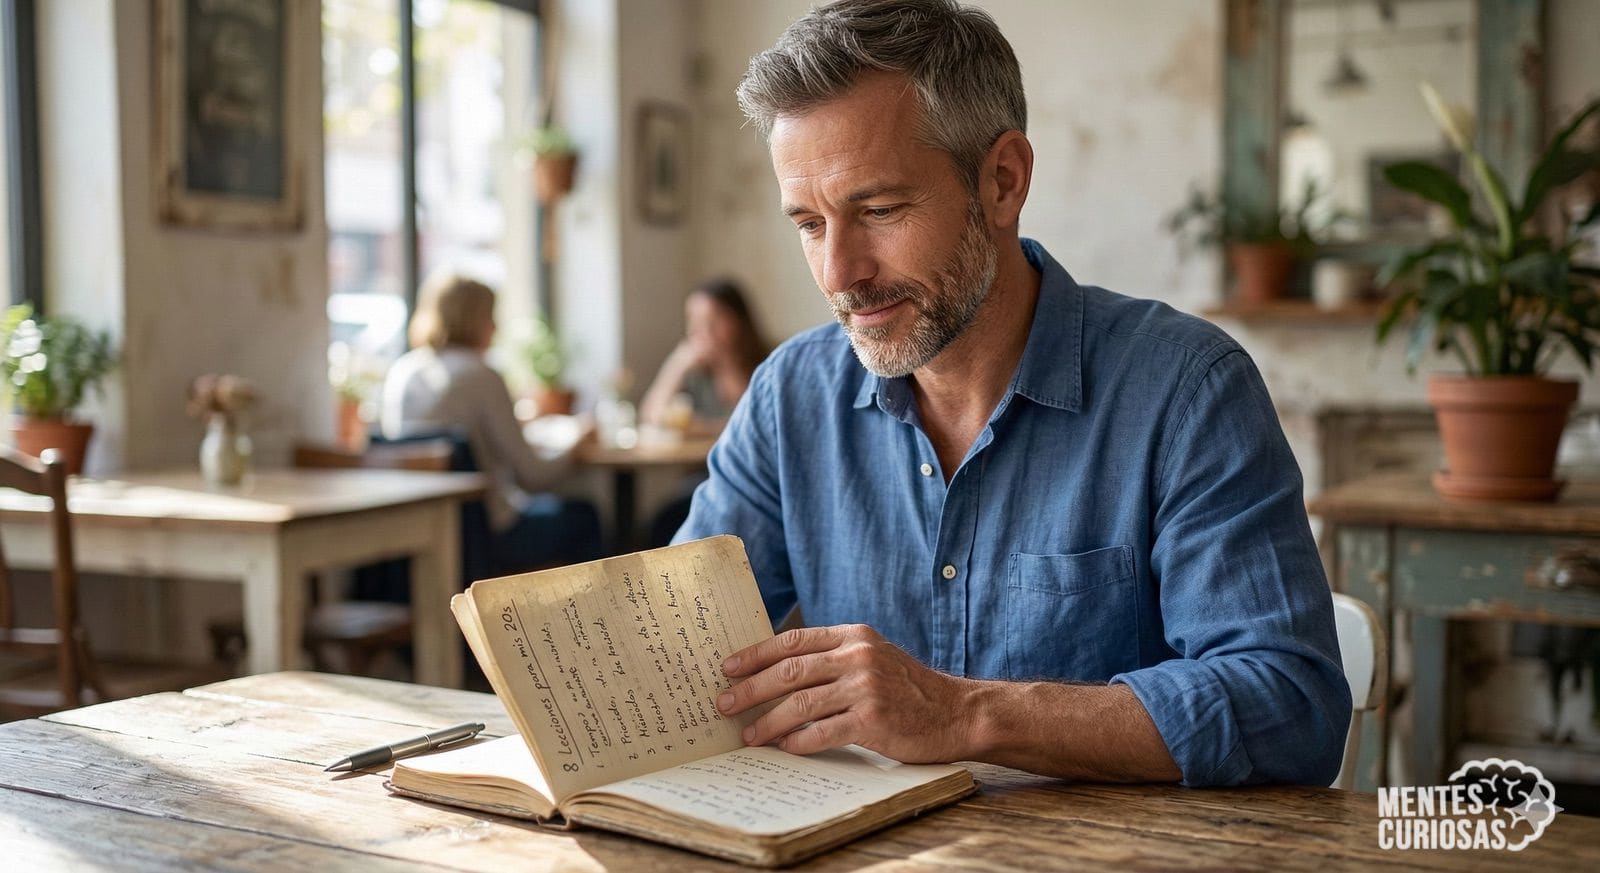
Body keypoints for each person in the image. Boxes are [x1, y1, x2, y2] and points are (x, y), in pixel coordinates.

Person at [679, 0, 1351, 787]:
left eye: (879, 209)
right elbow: (678, 651)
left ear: (1003, 181)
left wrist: (962, 714)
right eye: (810, 223)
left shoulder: (1187, 390)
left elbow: (1292, 705)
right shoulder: (789, 398)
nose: (839, 275)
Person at [382, 274, 601, 575]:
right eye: (491, 317)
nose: (496, 327)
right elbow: (533, 476)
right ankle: (589, 619)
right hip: (489, 535)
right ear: (477, 319)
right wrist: (578, 442)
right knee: (585, 515)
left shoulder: (403, 372)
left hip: (423, 537)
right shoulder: (482, 375)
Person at [640, 278, 771, 434]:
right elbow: (651, 417)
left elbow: (762, 425)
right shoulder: (694, 372)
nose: (702, 329)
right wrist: (675, 367)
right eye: (694, 320)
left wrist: (704, 427)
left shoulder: (771, 363)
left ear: (738, 320)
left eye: (713, 319)